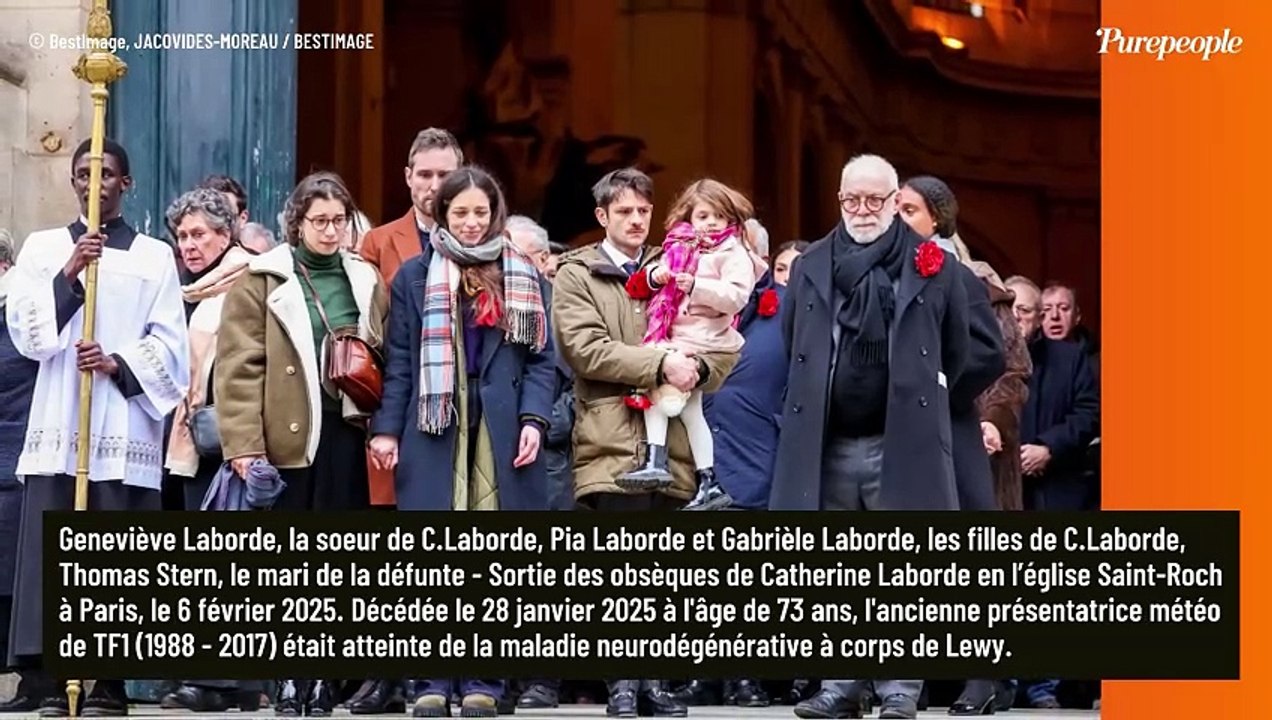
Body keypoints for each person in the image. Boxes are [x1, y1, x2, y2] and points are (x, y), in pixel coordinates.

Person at [773, 155, 1004, 720]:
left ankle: (900, 687)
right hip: (828, 439)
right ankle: (840, 687)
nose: (863, 211)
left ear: (893, 198)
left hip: (900, 438)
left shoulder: (935, 265)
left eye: (875, 200)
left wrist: (927, 393)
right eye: (851, 199)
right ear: (839, 198)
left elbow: (968, 349)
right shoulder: (812, 263)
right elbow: (792, 340)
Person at [5, 138, 191, 717]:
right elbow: (28, 333)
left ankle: (109, 681)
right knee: (55, 548)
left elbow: (172, 345)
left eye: (106, 173)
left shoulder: (155, 256)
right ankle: (54, 681)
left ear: (125, 184)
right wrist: (71, 270)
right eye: (83, 172)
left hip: (120, 426)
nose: (94, 182)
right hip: (59, 420)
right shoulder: (41, 249)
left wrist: (118, 363)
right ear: (69, 179)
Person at [366, 167, 553, 719]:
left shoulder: (525, 275)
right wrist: (385, 428)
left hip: (500, 430)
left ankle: (484, 683)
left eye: (479, 213)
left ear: (494, 214)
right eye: (459, 213)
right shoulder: (414, 278)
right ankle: (431, 680)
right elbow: (399, 359)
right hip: (435, 427)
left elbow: (544, 362)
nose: (470, 224)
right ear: (442, 215)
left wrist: (534, 420)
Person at [551, 167, 737, 717]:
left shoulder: (677, 263)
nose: (636, 221)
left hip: (673, 436)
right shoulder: (577, 271)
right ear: (602, 217)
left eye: (643, 211)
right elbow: (585, 349)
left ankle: (655, 681)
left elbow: (723, 336)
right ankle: (623, 684)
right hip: (611, 437)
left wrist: (699, 365)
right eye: (624, 212)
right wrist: (663, 361)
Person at [215, 171, 387, 716]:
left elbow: (383, 350)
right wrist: (244, 445)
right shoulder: (261, 280)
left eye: (339, 221)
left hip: (346, 435)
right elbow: (239, 370)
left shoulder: (366, 279)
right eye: (319, 221)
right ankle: (289, 679)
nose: (330, 231)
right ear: (297, 223)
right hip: (285, 441)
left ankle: (326, 680)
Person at [619, 179, 762, 508]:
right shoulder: (681, 246)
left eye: (718, 216)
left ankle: (657, 460)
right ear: (689, 218)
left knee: (654, 375)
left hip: (703, 337)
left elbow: (737, 296)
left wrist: (697, 285)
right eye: (703, 216)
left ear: (730, 221)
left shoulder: (734, 252)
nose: (711, 223)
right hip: (678, 333)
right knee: (692, 412)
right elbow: (651, 278)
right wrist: (656, 276)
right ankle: (707, 479)